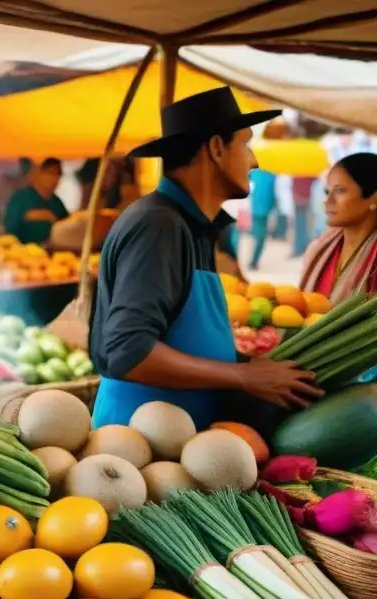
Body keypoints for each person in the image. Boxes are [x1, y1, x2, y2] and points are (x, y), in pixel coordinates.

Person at [90, 87, 322, 430]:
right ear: (215, 148)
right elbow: (129, 351)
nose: (255, 160)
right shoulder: (159, 225)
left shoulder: (189, 224)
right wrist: (243, 376)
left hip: (179, 441)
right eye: (244, 144)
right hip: (138, 448)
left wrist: (252, 364)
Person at [299, 153, 377, 301]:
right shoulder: (319, 249)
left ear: (373, 199)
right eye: (327, 192)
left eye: (340, 190)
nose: (328, 201)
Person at [3, 157, 69, 245]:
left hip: (53, 252)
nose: (53, 179)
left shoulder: (57, 203)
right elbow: (9, 226)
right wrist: (28, 215)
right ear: (37, 174)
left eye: (58, 174)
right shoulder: (20, 198)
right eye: (49, 173)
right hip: (23, 251)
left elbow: (67, 228)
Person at [249, 168, 277, 269]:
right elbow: (273, 193)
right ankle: (254, 261)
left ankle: (253, 260)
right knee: (261, 237)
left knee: (257, 236)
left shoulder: (253, 173)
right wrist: (273, 207)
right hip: (264, 209)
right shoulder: (272, 174)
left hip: (254, 208)